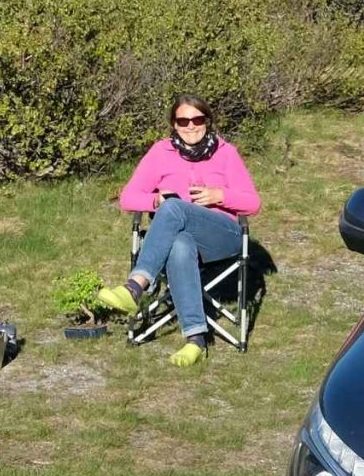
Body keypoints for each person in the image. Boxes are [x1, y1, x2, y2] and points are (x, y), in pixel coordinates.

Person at [98, 94, 262, 366]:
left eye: (197, 119)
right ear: (174, 124)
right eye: (183, 121)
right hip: (180, 237)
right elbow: (128, 198)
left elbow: (253, 203)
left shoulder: (225, 153)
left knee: (174, 208)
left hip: (222, 236)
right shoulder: (160, 153)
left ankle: (135, 287)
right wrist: (155, 200)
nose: (190, 126)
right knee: (179, 243)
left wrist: (218, 195)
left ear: (207, 121)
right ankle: (196, 339)